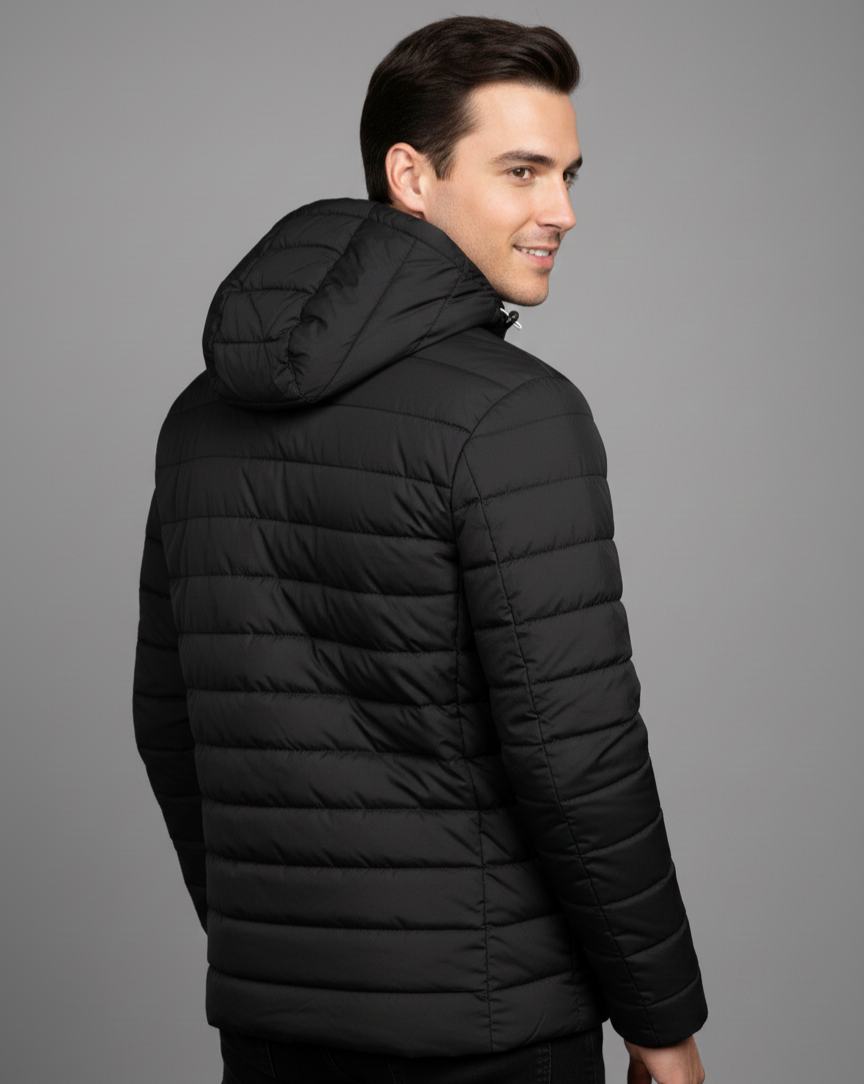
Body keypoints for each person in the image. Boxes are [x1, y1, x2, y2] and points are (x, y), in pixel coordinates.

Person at [133, 15, 707, 1084]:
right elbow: (576, 754)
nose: (562, 210)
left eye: (569, 174)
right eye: (523, 171)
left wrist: (278, 945)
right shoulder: (515, 415)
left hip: (272, 1026)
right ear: (411, 175)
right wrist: (661, 1019)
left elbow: (169, 721)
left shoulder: (198, 416)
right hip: (490, 1031)